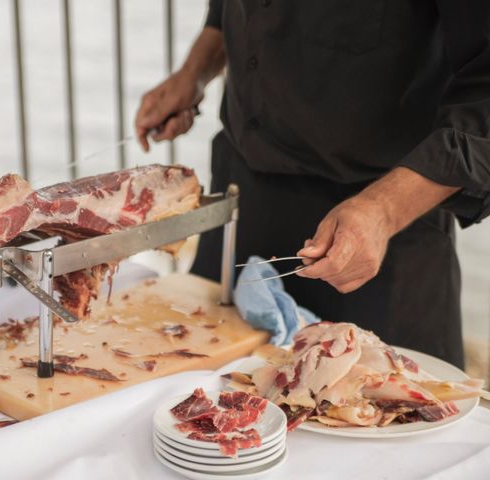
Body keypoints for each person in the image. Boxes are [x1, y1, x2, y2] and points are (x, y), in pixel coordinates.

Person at [135, 0, 490, 368]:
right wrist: (194, 73)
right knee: (198, 409)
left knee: (382, 413)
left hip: (374, 243)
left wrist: (383, 211)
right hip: (240, 216)